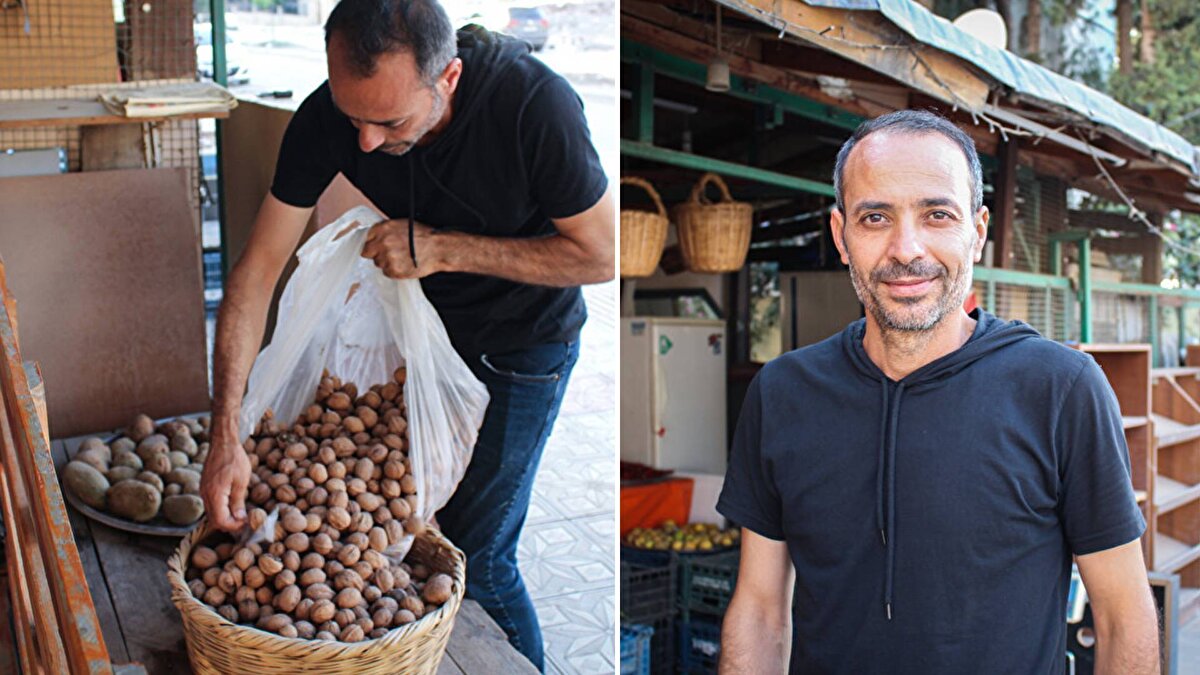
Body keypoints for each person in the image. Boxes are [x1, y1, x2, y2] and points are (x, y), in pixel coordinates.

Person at [198, 0, 613, 669]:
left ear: (448, 78)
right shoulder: (327, 117)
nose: (364, 141)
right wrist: (225, 433)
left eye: (389, 122)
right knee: (422, 537)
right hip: (424, 343)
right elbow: (256, 272)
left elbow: (600, 255)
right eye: (352, 117)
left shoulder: (534, 106)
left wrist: (442, 249)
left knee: (479, 554)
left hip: (523, 341)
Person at [716, 109, 1159, 673]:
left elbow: (1122, 617)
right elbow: (759, 610)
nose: (906, 249)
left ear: (977, 232)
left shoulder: (1060, 389)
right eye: (876, 217)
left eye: (937, 215)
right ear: (840, 236)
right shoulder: (782, 392)